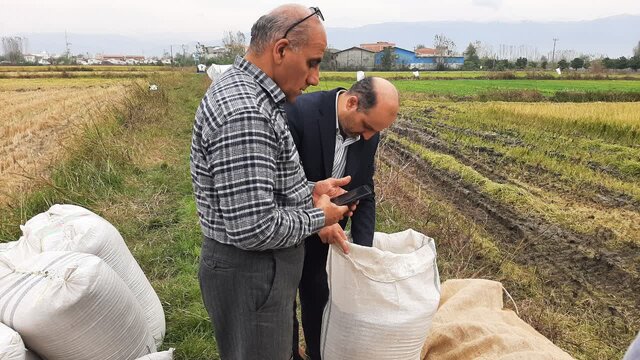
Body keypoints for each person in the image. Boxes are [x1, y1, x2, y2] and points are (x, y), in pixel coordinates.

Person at [190, 5, 354, 359]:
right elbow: (253, 227)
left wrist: (308, 191)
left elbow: (260, 185)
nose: (316, 79)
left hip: (256, 275)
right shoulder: (247, 112)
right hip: (252, 274)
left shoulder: (251, 94)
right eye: (313, 62)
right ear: (281, 50)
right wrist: (319, 216)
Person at [285, 77, 400, 359]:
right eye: (367, 126)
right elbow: (280, 184)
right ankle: (288, 351)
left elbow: (365, 191)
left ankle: (317, 352)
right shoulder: (300, 112)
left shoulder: (368, 136)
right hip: (284, 230)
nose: (370, 136)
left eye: (376, 131)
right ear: (351, 103)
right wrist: (315, 217)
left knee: (318, 297)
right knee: (283, 304)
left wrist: (363, 252)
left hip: (327, 235)